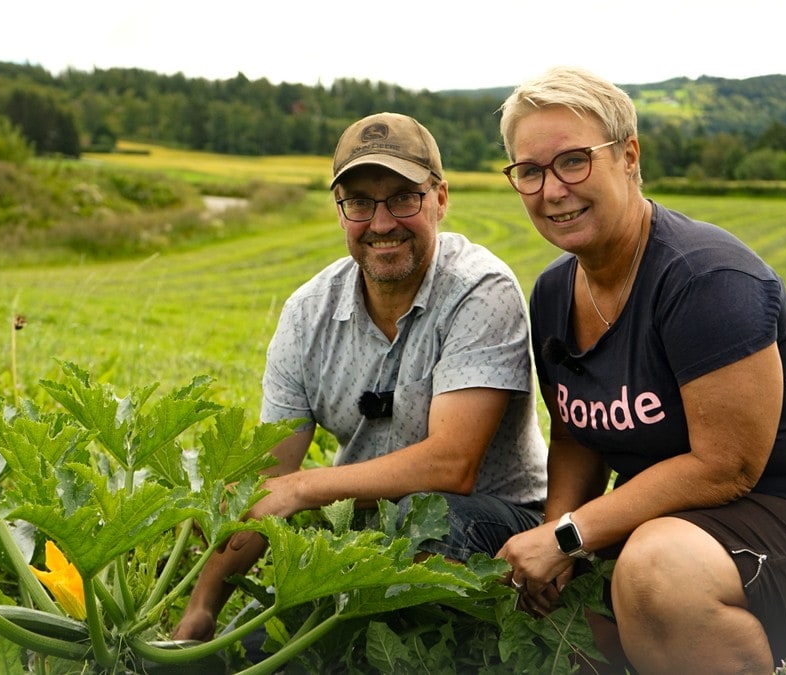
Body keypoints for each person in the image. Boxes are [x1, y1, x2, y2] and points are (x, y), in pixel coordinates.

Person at [493, 65, 786, 674]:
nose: (552, 190)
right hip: (708, 530)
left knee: (655, 573)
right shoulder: (554, 292)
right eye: (530, 171)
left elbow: (726, 465)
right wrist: (558, 540)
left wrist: (570, 535)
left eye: (574, 161)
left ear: (629, 156)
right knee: (571, 600)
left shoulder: (704, 278)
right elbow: (578, 431)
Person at [172, 112, 549, 642]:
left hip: (494, 528)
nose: (381, 222)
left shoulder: (479, 291)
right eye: (360, 202)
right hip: (369, 536)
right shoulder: (307, 316)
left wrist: (301, 489)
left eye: (403, 198)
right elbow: (263, 488)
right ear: (341, 210)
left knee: (428, 524)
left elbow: (452, 465)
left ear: (440, 199)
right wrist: (202, 610)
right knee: (257, 647)